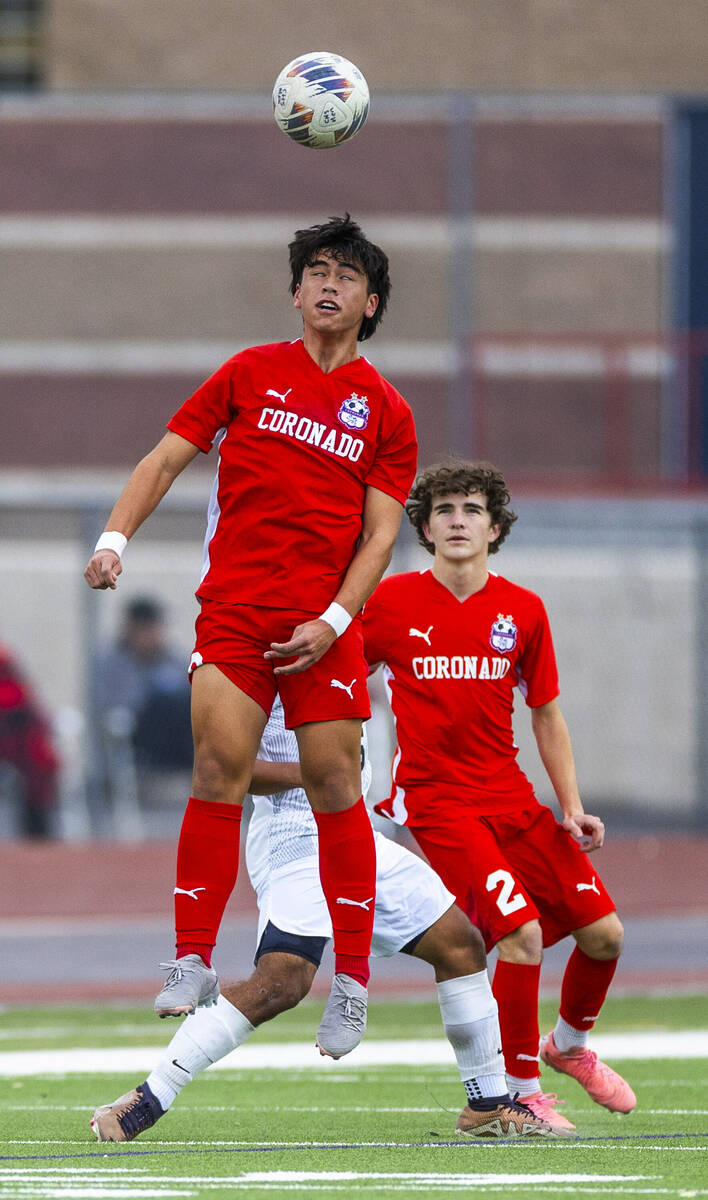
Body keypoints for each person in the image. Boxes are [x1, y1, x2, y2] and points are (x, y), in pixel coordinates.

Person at [83, 215, 418, 1057]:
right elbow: (163, 460)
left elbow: (380, 535)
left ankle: (352, 986)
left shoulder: (386, 409)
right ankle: (191, 958)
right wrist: (114, 539)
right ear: (296, 292)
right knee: (216, 770)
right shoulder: (247, 373)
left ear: (369, 301)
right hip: (235, 610)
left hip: (326, 625)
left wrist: (334, 622)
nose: (326, 283)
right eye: (314, 271)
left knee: (337, 789)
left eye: (344, 274)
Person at [90, 698, 562, 1143]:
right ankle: (149, 1097)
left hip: (356, 833)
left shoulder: (340, 632)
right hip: (295, 836)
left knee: (461, 945)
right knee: (282, 982)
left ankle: (488, 1105)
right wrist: (316, 773)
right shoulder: (261, 651)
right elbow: (225, 770)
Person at [362, 459, 636, 1132]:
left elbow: (545, 712)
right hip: (437, 804)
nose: (459, 520)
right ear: (424, 529)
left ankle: (567, 1047)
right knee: (520, 936)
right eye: (445, 510)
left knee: (605, 936)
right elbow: (338, 674)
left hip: (513, 800)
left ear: (495, 527)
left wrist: (571, 806)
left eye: (472, 510)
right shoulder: (391, 604)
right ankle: (517, 1093)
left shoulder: (524, 610)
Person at [0, 642, 60, 838]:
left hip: (16, 750)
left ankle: (38, 838)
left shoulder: (3, 658)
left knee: (39, 760)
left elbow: (18, 697)